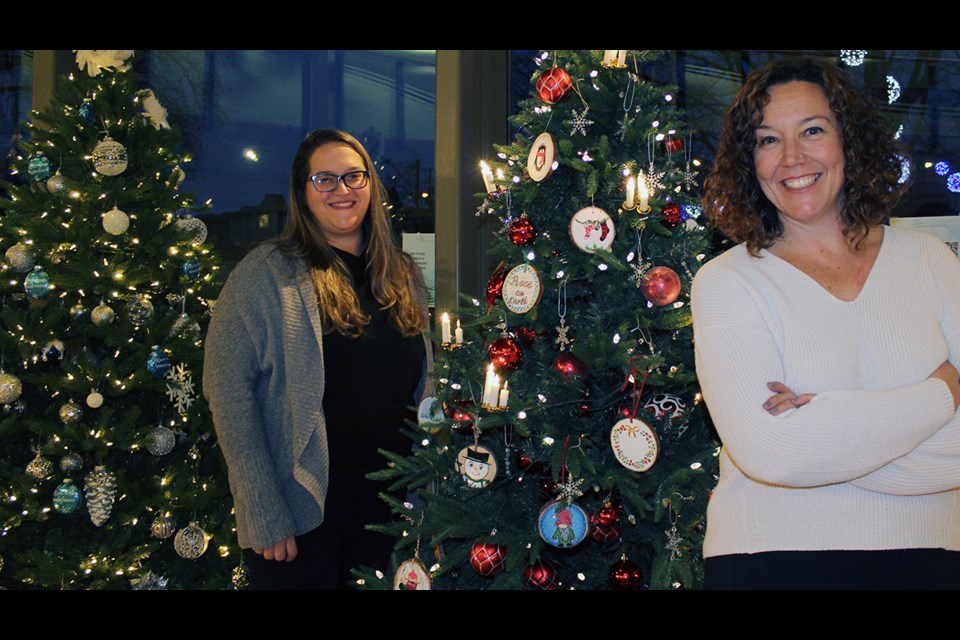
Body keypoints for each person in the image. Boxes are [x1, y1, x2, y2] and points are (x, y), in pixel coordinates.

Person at [692, 58, 960, 589]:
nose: (793, 158)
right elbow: (773, 452)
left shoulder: (931, 261)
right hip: (770, 562)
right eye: (768, 140)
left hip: (933, 557)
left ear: (850, 142)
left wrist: (829, 427)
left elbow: (797, 453)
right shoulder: (727, 281)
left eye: (813, 130)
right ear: (750, 161)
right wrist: (944, 393)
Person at [203, 129, 433, 589]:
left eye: (353, 177)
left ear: (371, 185)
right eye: (324, 179)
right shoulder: (265, 273)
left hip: (390, 511)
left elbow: (420, 386)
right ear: (303, 193)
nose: (342, 191)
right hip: (302, 516)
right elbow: (226, 390)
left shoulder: (402, 274)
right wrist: (263, 510)